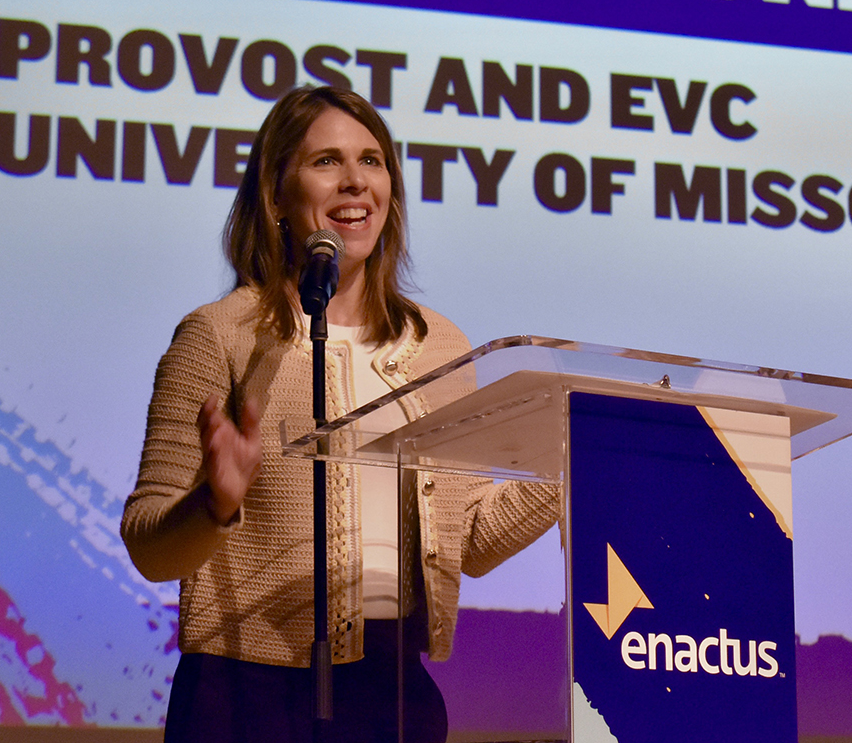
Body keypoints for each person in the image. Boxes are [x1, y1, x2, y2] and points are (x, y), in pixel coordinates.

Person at [121, 85, 557, 743]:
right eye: (327, 161)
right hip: (247, 699)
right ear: (276, 195)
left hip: (392, 698)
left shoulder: (439, 345)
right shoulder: (220, 336)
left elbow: (468, 540)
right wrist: (215, 502)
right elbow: (150, 546)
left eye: (372, 161)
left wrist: (570, 465)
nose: (356, 180)